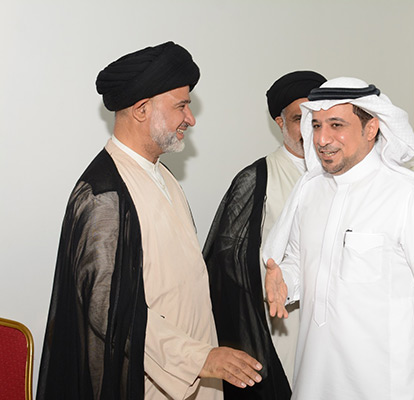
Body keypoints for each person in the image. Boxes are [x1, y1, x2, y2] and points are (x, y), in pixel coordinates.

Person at [37, 41, 262, 400]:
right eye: (181, 106)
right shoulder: (104, 194)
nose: (190, 118)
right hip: (148, 383)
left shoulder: (163, 176)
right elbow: (108, 308)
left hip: (194, 375)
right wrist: (198, 358)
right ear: (142, 109)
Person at [263, 77, 414, 399]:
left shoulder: (408, 196)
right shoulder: (309, 191)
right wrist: (286, 280)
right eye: (317, 125)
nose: (322, 138)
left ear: (371, 128)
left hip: (387, 382)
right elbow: (299, 259)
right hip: (316, 377)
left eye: (336, 125)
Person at [203, 70, 326, 399]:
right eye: (299, 118)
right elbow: (227, 265)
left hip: (332, 324)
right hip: (282, 325)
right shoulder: (258, 178)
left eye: (316, 119)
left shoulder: (341, 178)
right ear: (280, 122)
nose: (309, 129)